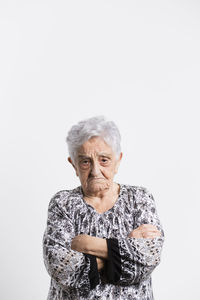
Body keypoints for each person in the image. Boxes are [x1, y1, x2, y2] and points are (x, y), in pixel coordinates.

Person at [43, 116, 164, 300]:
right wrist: (126, 248)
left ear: (118, 160)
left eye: (104, 160)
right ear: (73, 164)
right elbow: (60, 267)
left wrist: (86, 244)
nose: (95, 171)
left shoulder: (139, 199)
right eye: (85, 161)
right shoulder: (62, 203)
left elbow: (149, 257)